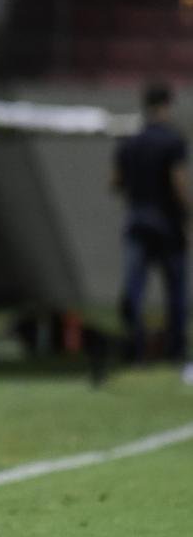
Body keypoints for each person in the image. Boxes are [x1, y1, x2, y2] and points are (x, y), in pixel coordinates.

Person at [112, 82, 191, 374]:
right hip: (168, 224)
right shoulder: (173, 141)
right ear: (167, 105)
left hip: (137, 221)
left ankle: (135, 347)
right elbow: (179, 183)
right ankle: (175, 351)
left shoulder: (130, 141)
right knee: (176, 292)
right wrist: (188, 218)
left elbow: (115, 181)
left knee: (134, 287)